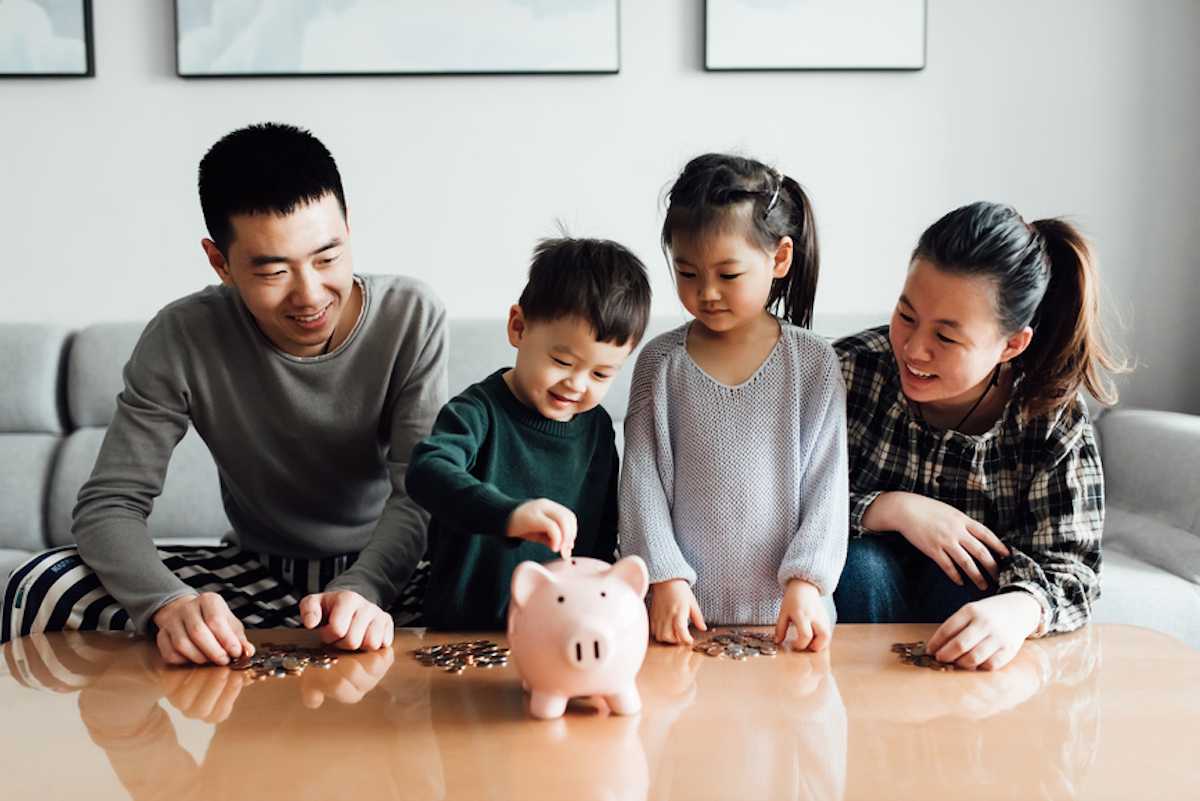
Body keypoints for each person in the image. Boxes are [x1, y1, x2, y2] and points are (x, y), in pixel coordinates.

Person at [1, 123, 446, 664]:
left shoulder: (410, 315)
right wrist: (169, 604)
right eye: (274, 270)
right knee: (38, 583)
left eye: (327, 257)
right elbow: (108, 505)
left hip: (391, 576)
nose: (310, 295)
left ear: (348, 228)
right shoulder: (182, 334)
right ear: (220, 261)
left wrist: (366, 588)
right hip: (257, 575)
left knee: (507, 588)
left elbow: (419, 490)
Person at [833, 201, 1123, 670]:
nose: (913, 348)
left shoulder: (1050, 417)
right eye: (906, 316)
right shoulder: (847, 373)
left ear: (1012, 344)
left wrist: (1019, 610)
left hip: (970, 628)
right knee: (859, 568)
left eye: (946, 338)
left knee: (975, 585)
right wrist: (893, 508)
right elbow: (779, 504)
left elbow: (1073, 570)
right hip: (855, 600)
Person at [619, 153, 848, 651]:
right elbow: (640, 483)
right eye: (686, 273)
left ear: (779, 259)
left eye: (728, 275)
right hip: (679, 620)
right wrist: (665, 579)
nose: (706, 294)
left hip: (791, 622)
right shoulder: (659, 364)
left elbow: (828, 489)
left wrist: (807, 582)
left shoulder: (813, 364)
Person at [406, 237, 652, 630]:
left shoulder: (598, 429)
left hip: (557, 633)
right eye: (562, 360)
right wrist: (510, 515)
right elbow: (425, 472)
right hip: (462, 628)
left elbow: (602, 535)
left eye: (601, 374)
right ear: (518, 328)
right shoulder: (477, 412)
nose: (577, 384)